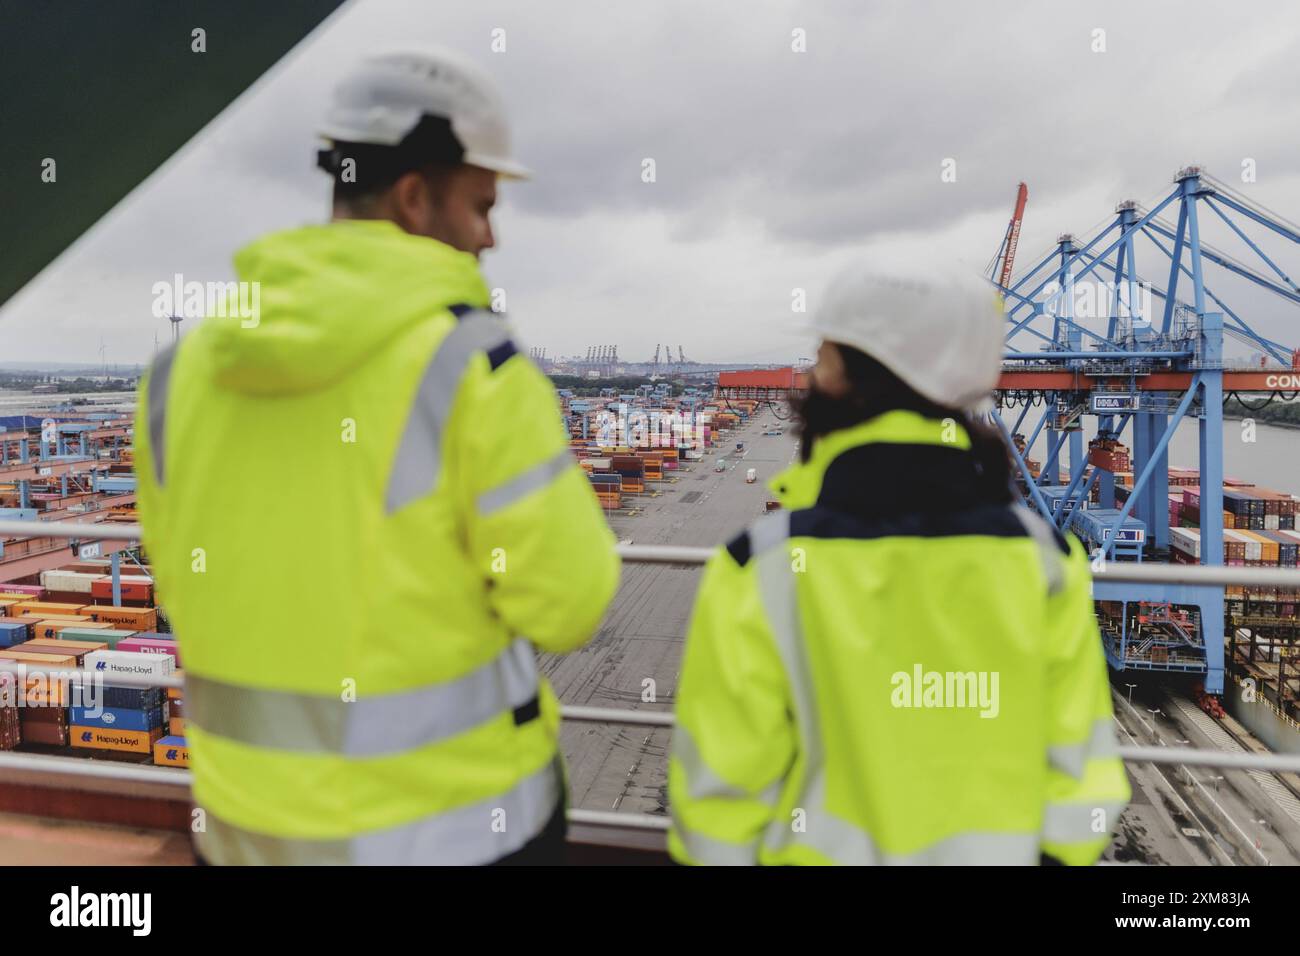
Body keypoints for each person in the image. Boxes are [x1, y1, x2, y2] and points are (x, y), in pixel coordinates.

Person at [135, 48, 620, 865]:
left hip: (246, 831)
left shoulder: (177, 372)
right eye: (482, 205)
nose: (490, 236)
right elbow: (569, 607)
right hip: (455, 831)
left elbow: (181, 580)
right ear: (413, 196)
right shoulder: (473, 368)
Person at [668, 266, 1129, 865]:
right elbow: (1082, 790)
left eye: (822, 357)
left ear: (854, 379)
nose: (808, 375)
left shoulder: (761, 566)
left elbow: (716, 810)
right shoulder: (1046, 563)